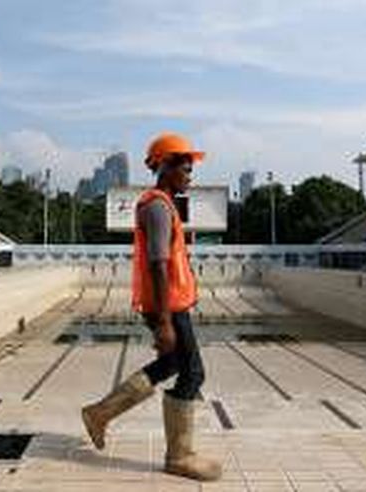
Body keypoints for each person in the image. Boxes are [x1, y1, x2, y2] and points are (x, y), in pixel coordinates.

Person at [81, 132, 222, 482]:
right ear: (166, 166)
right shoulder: (158, 206)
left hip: (170, 304)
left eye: (191, 170)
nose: (191, 175)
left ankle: (100, 413)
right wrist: (163, 322)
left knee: (173, 364)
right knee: (192, 373)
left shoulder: (162, 204)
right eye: (186, 169)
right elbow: (159, 263)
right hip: (167, 306)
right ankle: (179, 456)